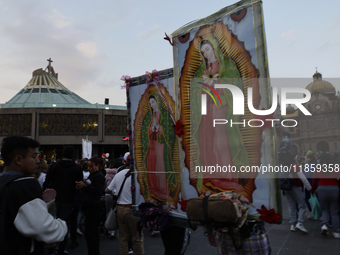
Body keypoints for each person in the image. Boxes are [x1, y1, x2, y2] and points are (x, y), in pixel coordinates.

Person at [191, 38, 250, 195]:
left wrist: (219, 83)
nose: (206, 54)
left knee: (221, 142)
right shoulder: (201, 70)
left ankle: (228, 179)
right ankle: (211, 179)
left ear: (215, 48)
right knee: (208, 143)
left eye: (208, 50)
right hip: (206, 110)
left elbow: (235, 86)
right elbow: (195, 92)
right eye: (203, 53)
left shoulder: (227, 64)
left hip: (222, 108)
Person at [0, 136, 67, 254]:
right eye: (34, 156)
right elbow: (43, 228)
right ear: (19, 159)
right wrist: (62, 227)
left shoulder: (4, 182)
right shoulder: (24, 183)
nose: (38, 161)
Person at [43, 146, 83, 255]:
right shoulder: (76, 168)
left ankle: (51, 250)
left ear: (63, 154)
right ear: (73, 156)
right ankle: (61, 249)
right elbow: (79, 185)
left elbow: (46, 182)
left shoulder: (54, 166)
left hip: (54, 199)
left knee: (52, 223)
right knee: (64, 225)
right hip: (69, 200)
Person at [107, 157, 144, 255]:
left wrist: (116, 194)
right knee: (137, 238)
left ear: (126, 162)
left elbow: (108, 190)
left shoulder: (119, 174)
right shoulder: (138, 175)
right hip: (133, 210)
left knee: (123, 239)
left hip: (120, 209)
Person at [278, 131, 308, 233]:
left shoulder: (283, 166)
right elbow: (303, 178)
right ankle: (300, 223)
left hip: (286, 188)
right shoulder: (295, 165)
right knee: (302, 205)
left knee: (291, 207)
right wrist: (310, 188)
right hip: (295, 186)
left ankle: (292, 224)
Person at [76, 156, 105, 255]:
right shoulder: (93, 175)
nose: (89, 168)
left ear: (97, 165)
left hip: (94, 207)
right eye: (88, 166)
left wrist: (84, 187)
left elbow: (97, 192)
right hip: (90, 206)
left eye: (91, 166)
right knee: (92, 232)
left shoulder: (99, 176)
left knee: (90, 232)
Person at [311, 153, 340, 238]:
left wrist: (312, 190)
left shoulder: (318, 168)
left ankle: (324, 225)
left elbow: (314, 181)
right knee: (335, 212)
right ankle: (336, 232)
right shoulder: (336, 168)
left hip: (322, 189)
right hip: (334, 189)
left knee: (325, 209)